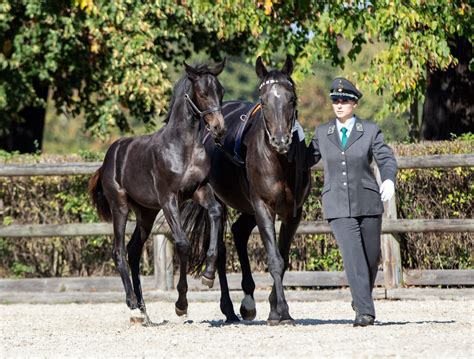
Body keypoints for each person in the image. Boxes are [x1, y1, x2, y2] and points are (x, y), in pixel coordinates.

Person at [309, 77, 397, 327]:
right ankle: (365, 312)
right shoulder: (322, 133)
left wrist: (388, 179)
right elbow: (305, 159)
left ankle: (360, 299)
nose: (339, 105)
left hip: (368, 202)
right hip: (337, 204)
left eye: (344, 100)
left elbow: (386, 159)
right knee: (353, 256)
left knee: (371, 259)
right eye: (335, 100)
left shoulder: (369, 131)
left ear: (354, 104)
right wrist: (294, 138)